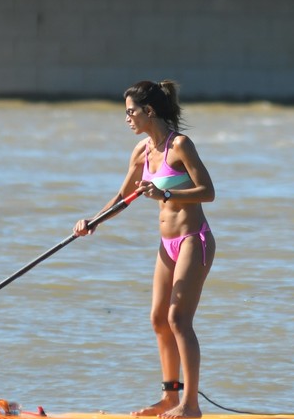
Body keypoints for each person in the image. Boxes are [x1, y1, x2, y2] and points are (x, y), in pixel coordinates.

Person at [74, 80, 216, 419]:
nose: (127, 118)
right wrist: (94, 220)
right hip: (166, 244)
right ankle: (170, 398)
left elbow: (208, 191)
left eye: (130, 111)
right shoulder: (141, 152)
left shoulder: (179, 145)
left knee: (178, 319)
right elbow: (123, 198)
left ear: (148, 111)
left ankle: (191, 406)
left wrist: (165, 194)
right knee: (157, 318)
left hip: (193, 239)